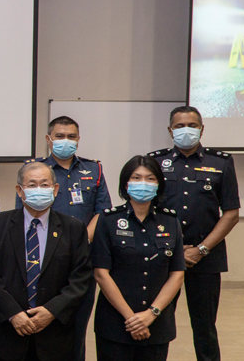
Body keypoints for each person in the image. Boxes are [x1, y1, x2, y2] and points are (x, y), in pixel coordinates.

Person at [14, 115, 111, 361]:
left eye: (70, 136)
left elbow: (102, 211)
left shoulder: (93, 169)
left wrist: (79, 241)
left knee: (75, 333)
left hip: (80, 262)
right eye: (59, 136)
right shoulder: (34, 171)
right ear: (48, 139)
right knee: (40, 329)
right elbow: (21, 215)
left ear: (78, 139)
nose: (65, 141)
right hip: (41, 263)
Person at [147, 106, 240, 361]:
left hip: (206, 258)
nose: (185, 130)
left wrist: (201, 250)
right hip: (164, 258)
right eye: (179, 126)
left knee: (205, 327)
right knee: (157, 323)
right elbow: (146, 210)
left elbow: (231, 213)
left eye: (191, 125)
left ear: (201, 128)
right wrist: (173, 250)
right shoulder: (154, 162)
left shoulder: (220, 162)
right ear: (170, 130)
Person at [0, 162, 92, 361]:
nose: (38, 190)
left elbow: (81, 279)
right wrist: (13, 313)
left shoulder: (74, 228)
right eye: (31, 185)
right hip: (8, 335)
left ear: (55, 190)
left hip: (55, 338)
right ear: (19, 191)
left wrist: (51, 311)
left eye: (45, 185)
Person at [91, 155, 185, 361]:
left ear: (159, 185)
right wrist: (131, 319)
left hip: (157, 323)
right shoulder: (108, 220)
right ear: (126, 184)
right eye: (136, 178)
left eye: (150, 179)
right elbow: (101, 273)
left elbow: (177, 274)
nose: (143, 183)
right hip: (116, 323)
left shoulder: (171, 221)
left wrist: (151, 314)